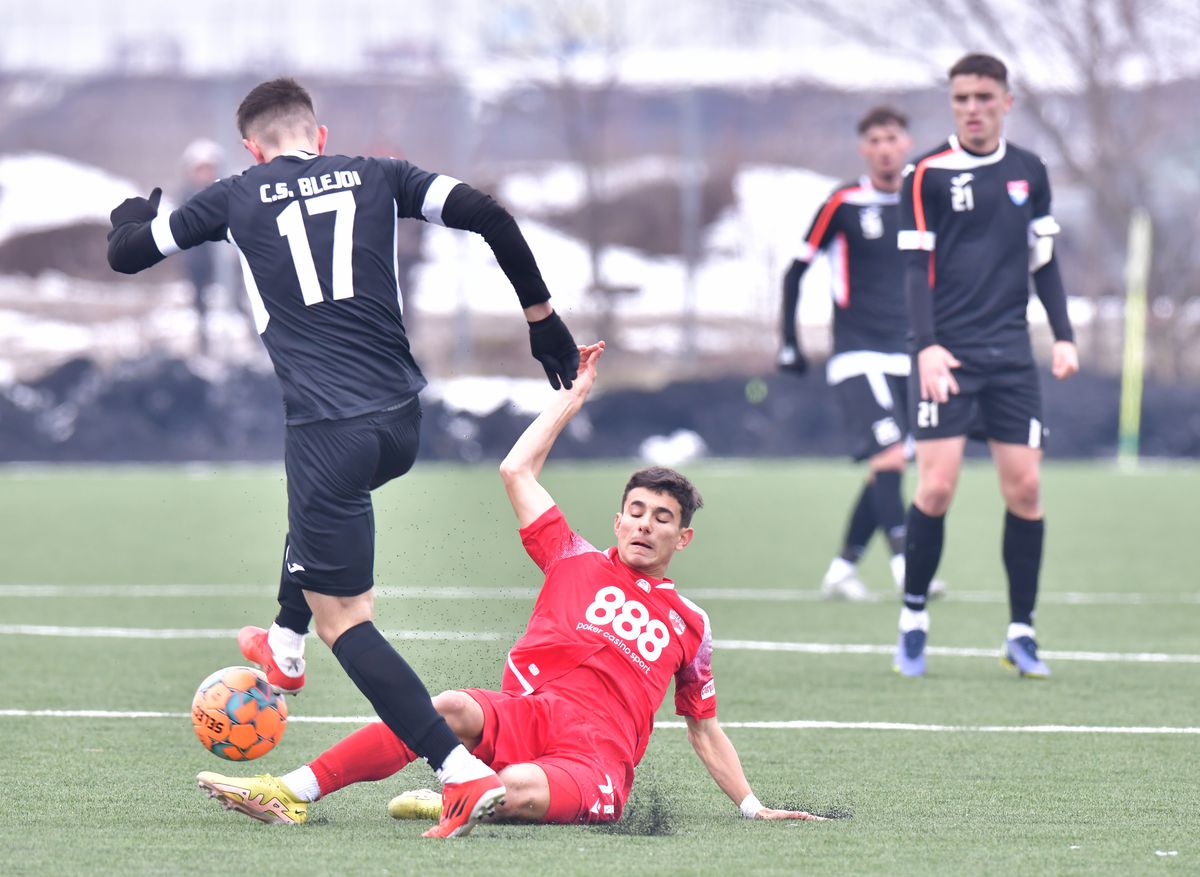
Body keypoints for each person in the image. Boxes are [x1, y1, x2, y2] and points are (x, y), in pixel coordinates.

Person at [107, 77, 582, 837]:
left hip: (328, 431)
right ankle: (284, 647)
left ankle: (458, 771)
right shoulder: (378, 174)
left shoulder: (235, 194)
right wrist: (543, 321)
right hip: (399, 422)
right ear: (318, 135)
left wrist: (130, 217)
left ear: (250, 148)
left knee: (349, 622)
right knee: (310, 518)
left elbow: (130, 253)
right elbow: (489, 214)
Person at [196, 342, 827, 829]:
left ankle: (467, 788)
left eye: (662, 518)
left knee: (512, 789)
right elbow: (515, 468)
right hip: (526, 715)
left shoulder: (691, 623)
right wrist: (572, 398)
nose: (645, 525)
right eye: (636, 510)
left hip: (594, 761)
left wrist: (751, 806)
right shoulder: (573, 556)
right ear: (618, 518)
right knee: (447, 708)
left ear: (681, 539)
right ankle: (292, 794)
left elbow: (702, 726)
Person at [893, 54, 1079, 678]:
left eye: (983, 96)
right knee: (937, 487)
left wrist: (1063, 335)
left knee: (1025, 488)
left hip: (1010, 359)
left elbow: (1044, 262)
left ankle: (1021, 633)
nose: (972, 107)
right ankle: (914, 614)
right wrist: (925, 345)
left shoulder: (1030, 171)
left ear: (1006, 101)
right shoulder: (924, 173)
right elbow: (915, 268)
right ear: (953, 104)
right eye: (961, 98)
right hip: (946, 354)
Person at [778, 106, 943, 602]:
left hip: (910, 356)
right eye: (874, 140)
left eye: (892, 138)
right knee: (891, 456)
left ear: (907, 143)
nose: (884, 148)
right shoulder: (844, 202)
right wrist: (789, 340)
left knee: (887, 467)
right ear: (863, 149)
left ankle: (842, 569)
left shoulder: (922, 203)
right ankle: (906, 565)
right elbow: (796, 270)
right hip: (858, 353)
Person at [178, 139, 224, 355]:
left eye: (209, 168)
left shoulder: (226, 193)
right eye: (200, 169)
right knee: (200, 303)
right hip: (198, 259)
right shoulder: (186, 197)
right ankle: (204, 344)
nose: (205, 174)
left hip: (225, 260)